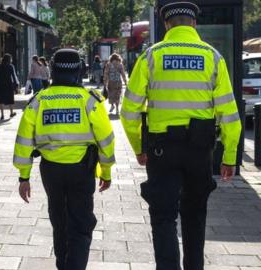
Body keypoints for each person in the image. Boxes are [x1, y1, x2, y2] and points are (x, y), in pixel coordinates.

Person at [120, 2, 241, 270]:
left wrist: (139, 147)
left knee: (163, 217)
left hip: (161, 151)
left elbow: (129, 111)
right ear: (194, 24)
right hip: (200, 151)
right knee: (195, 216)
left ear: (166, 25)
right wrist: (229, 157)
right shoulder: (213, 57)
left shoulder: (151, 56)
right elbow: (230, 115)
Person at [14, 48, 115, 270]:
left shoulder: (39, 100)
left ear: (53, 70)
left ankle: (63, 265)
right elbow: (106, 140)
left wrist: (24, 177)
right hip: (82, 170)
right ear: (79, 71)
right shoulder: (90, 101)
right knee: (80, 224)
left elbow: (23, 141)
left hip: (51, 171)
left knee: (59, 222)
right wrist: (106, 173)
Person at [0, 53, 19, 120]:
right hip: (9, 84)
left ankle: (2, 115)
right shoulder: (11, 66)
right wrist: (16, 84)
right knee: (10, 99)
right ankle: (11, 113)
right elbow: (14, 76)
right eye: (11, 59)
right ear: (9, 59)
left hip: (0, 84)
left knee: (1, 100)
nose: (11, 60)